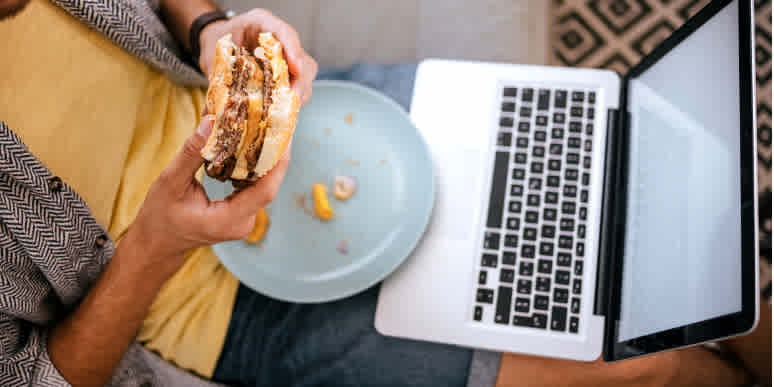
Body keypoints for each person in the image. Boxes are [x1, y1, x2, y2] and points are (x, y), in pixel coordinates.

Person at [0, 1, 769, 386]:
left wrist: (210, 26)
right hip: (219, 306)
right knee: (634, 364)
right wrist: (157, 243)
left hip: (315, 128)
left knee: (641, 191)